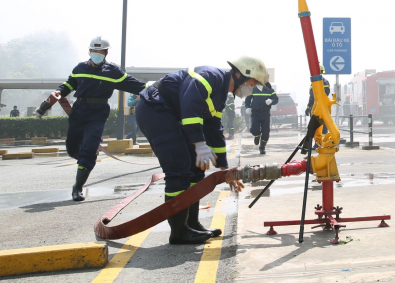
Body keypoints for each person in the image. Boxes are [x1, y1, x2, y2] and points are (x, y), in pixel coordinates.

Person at [136, 56, 265, 245]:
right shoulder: (208, 77)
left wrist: (224, 169)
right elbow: (190, 108)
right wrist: (198, 144)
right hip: (155, 110)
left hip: (171, 115)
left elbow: (214, 128)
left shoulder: (221, 94)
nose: (250, 90)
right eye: (252, 84)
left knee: (197, 168)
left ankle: (191, 223)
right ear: (239, 75)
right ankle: (179, 231)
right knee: (179, 169)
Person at [35, 36, 146, 202]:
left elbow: (136, 85)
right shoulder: (79, 68)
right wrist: (54, 97)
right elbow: (68, 85)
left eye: (100, 51)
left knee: (89, 148)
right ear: (89, 51)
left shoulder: (114, 72)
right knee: (72, 147)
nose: (97, 54)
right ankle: (85, 161)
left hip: (98, 112)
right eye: (94, 51)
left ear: (106, 53)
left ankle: (77, 187)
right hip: (79, 110)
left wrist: (158, 90)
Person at [245, 83, 278, 154]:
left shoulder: (270, 90)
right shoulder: (252, 89)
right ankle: (257, 136)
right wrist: (248, 107)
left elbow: (276, 99)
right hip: (255, 113)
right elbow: (247, 99)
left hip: (265, 113)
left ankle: (262, 147)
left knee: (266, 132)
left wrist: (271, 101)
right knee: (254, 129)